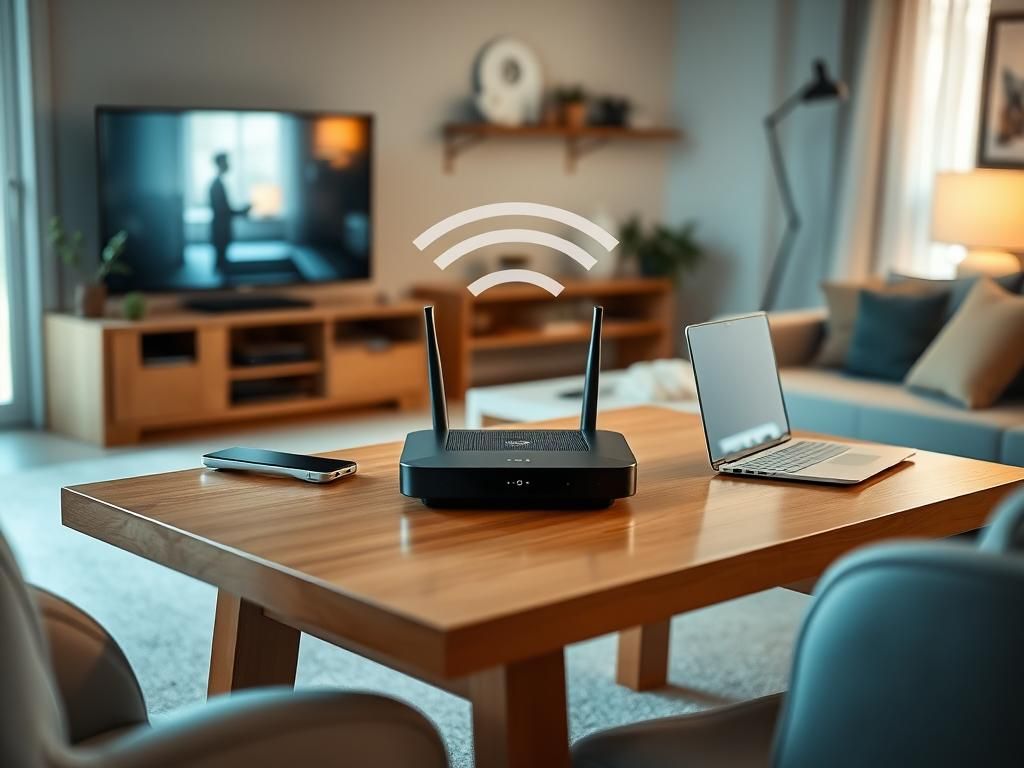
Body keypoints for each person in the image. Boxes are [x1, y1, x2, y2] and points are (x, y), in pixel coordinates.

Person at [208, 152, 251, 271]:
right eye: (226, 161)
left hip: (222, 227)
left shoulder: (219, 184)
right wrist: (241, 212)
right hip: (220, 229)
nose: (228, 164)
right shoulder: (216, 185)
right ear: (220, 164)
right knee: (221, 266)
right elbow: (222, 210)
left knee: (222, 263)